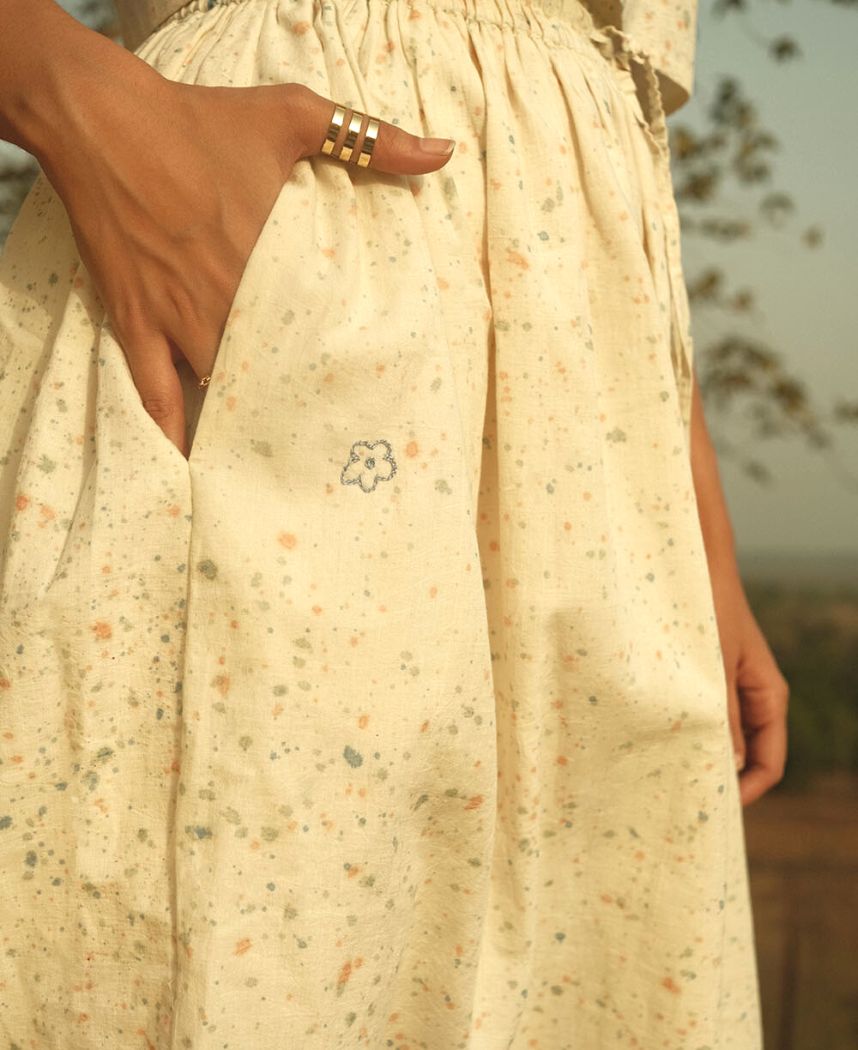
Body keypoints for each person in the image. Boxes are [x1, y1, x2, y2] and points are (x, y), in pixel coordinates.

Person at [0, 0, 788, 1045]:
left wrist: (701, 540)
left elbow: (624, 129)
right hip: (272, 240)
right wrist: (68, 92)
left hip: (599, 438)